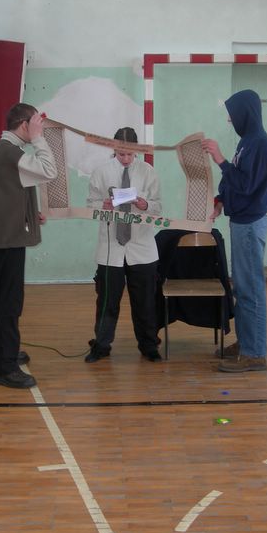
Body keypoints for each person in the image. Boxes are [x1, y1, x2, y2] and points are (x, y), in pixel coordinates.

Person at [202, 89, 267, 372]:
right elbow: (235, 180)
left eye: (232, 115)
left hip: (249, 224)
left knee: (250, 289)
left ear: (245, 113)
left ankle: (255, 354)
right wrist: (221, 199)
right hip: (241, 222)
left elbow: (246, 185)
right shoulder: (247, 142)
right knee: (242, 288)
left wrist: (219, 159)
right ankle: (246, 342)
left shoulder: (261, 144)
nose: (229, 120)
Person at [0, 103, 57, 389]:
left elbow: (13, 190)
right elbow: (48, 171)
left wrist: (30, 212)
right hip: (8, 239)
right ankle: (4, 367)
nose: (39, 130)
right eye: (35, 125)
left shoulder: (6, 151)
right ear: (24, 125)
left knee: (5, 300)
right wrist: (38, 140)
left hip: (6, 236)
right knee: (9, 302)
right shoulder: (10, 152)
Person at [84, 127, 163, 363]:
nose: (126, 159)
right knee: (107, 301)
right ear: (114, 148)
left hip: (142, 248)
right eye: (121, 154)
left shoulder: (148, 172)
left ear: (137, 150)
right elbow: (90, 205)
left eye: (130, 154)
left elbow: (158, 208)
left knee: (145, 302)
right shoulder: (101, 172)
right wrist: (103, 205)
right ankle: (101, 345)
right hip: (111, 248)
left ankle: (149, 345)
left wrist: (144, 204)